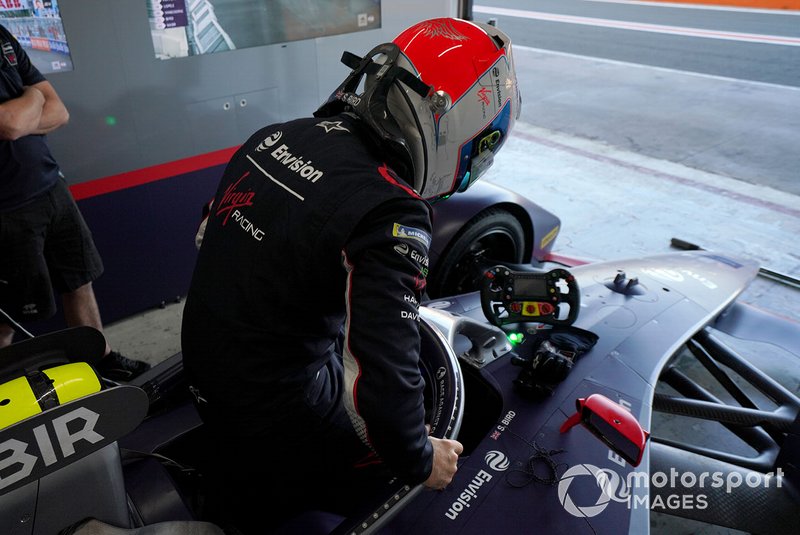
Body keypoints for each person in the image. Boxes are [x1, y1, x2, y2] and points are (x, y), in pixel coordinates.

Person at [181, 17, 521, 532]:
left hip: (206, 373)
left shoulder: (277, 135)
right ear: (460, 126)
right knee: (413, 478)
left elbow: (210, 237)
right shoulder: (392, 212)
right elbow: (384, 386)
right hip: (274, 407)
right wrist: (420, 457)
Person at [0, 24, 150, 382]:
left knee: (78, 281)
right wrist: (33, 99)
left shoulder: (2, 36)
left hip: (52, 188)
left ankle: (99, 360)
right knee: (6, 313)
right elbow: (11, 124)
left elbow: (60, 112)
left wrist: (28, 109)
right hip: (7, 209)